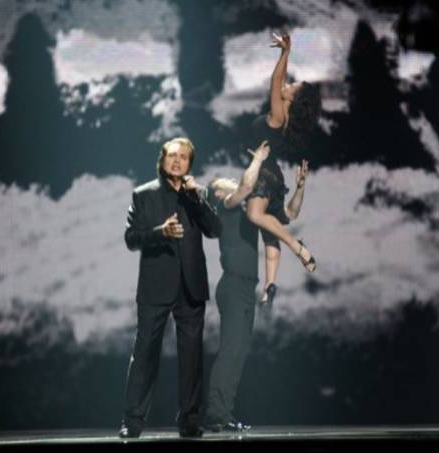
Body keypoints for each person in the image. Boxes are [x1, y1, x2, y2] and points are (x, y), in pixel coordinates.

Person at [120, 137, 222, 439]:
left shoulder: (196, 194)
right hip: (156, 286)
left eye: (183, 157)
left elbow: (215, 230)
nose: (177, 161)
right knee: (144, 354)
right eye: (172, 155)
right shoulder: (144, 194)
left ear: (190, 163)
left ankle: (189, 421)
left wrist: (197, 198)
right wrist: (160, 233)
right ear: (162, 160)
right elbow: (131, 239)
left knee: (192, 357)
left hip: (191, 286)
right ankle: (132, 421)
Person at [245, 31, 322, 307]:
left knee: (255, 215)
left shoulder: (278, 115)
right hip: (273, 175)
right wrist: (286, 53)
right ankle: (270, 286)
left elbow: (274, 81)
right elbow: (280, 82)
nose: (286, 84)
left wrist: (285, 53)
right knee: (270, 232)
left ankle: (296, 246)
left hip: (265, 173)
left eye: (291, 86)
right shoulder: (286, 119)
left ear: (293, 98)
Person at [202, 140, 270, 432]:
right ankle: (215, 414)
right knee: (230, 351)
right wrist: (258, 160)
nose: (231, 181)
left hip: (245, 288)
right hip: (233, 287)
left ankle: (224, 413)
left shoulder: (245, 213)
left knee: (239, 354)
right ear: (218, 193)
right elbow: (244, 186)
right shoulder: (224, 206)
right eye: (225, 182)